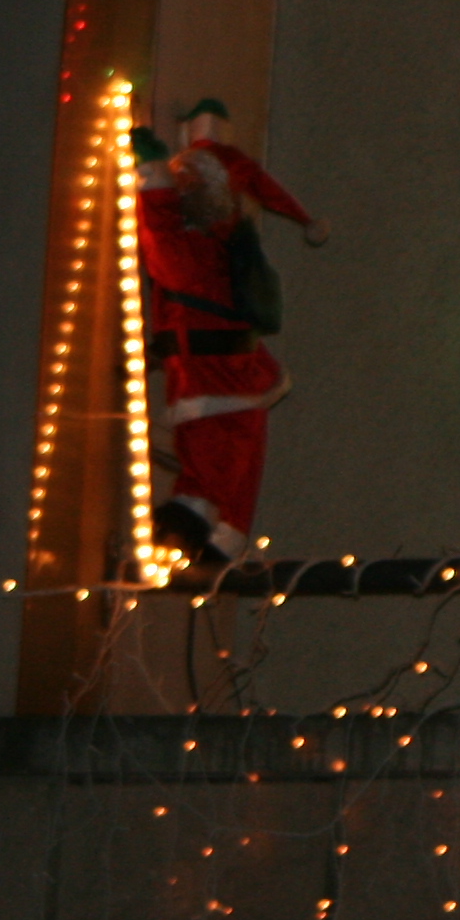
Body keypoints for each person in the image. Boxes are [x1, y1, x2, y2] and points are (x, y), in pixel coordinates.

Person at [135, 98, 327, 569]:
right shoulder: (220, 240)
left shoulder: (193, 251)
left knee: (216, 456)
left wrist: (151, 169)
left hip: (214, 375)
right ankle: (214, 525)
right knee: (229, 458)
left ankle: (204, 520)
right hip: (230, 373)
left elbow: (160, 232)